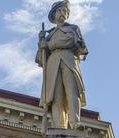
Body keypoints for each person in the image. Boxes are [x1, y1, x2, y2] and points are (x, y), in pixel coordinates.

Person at [36, 0, 89, 129]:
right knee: (56, 95)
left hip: (69, 60)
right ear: (54, 15)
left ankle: (75, 122)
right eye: (60, 10)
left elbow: (70, 41)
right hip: (53, 63)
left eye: (65, 11)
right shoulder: (49, 35)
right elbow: (40, 59)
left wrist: (49, 45)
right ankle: (59, 125)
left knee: (72, 92)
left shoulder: (73, 29)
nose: (63, 13)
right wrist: (41, 43)